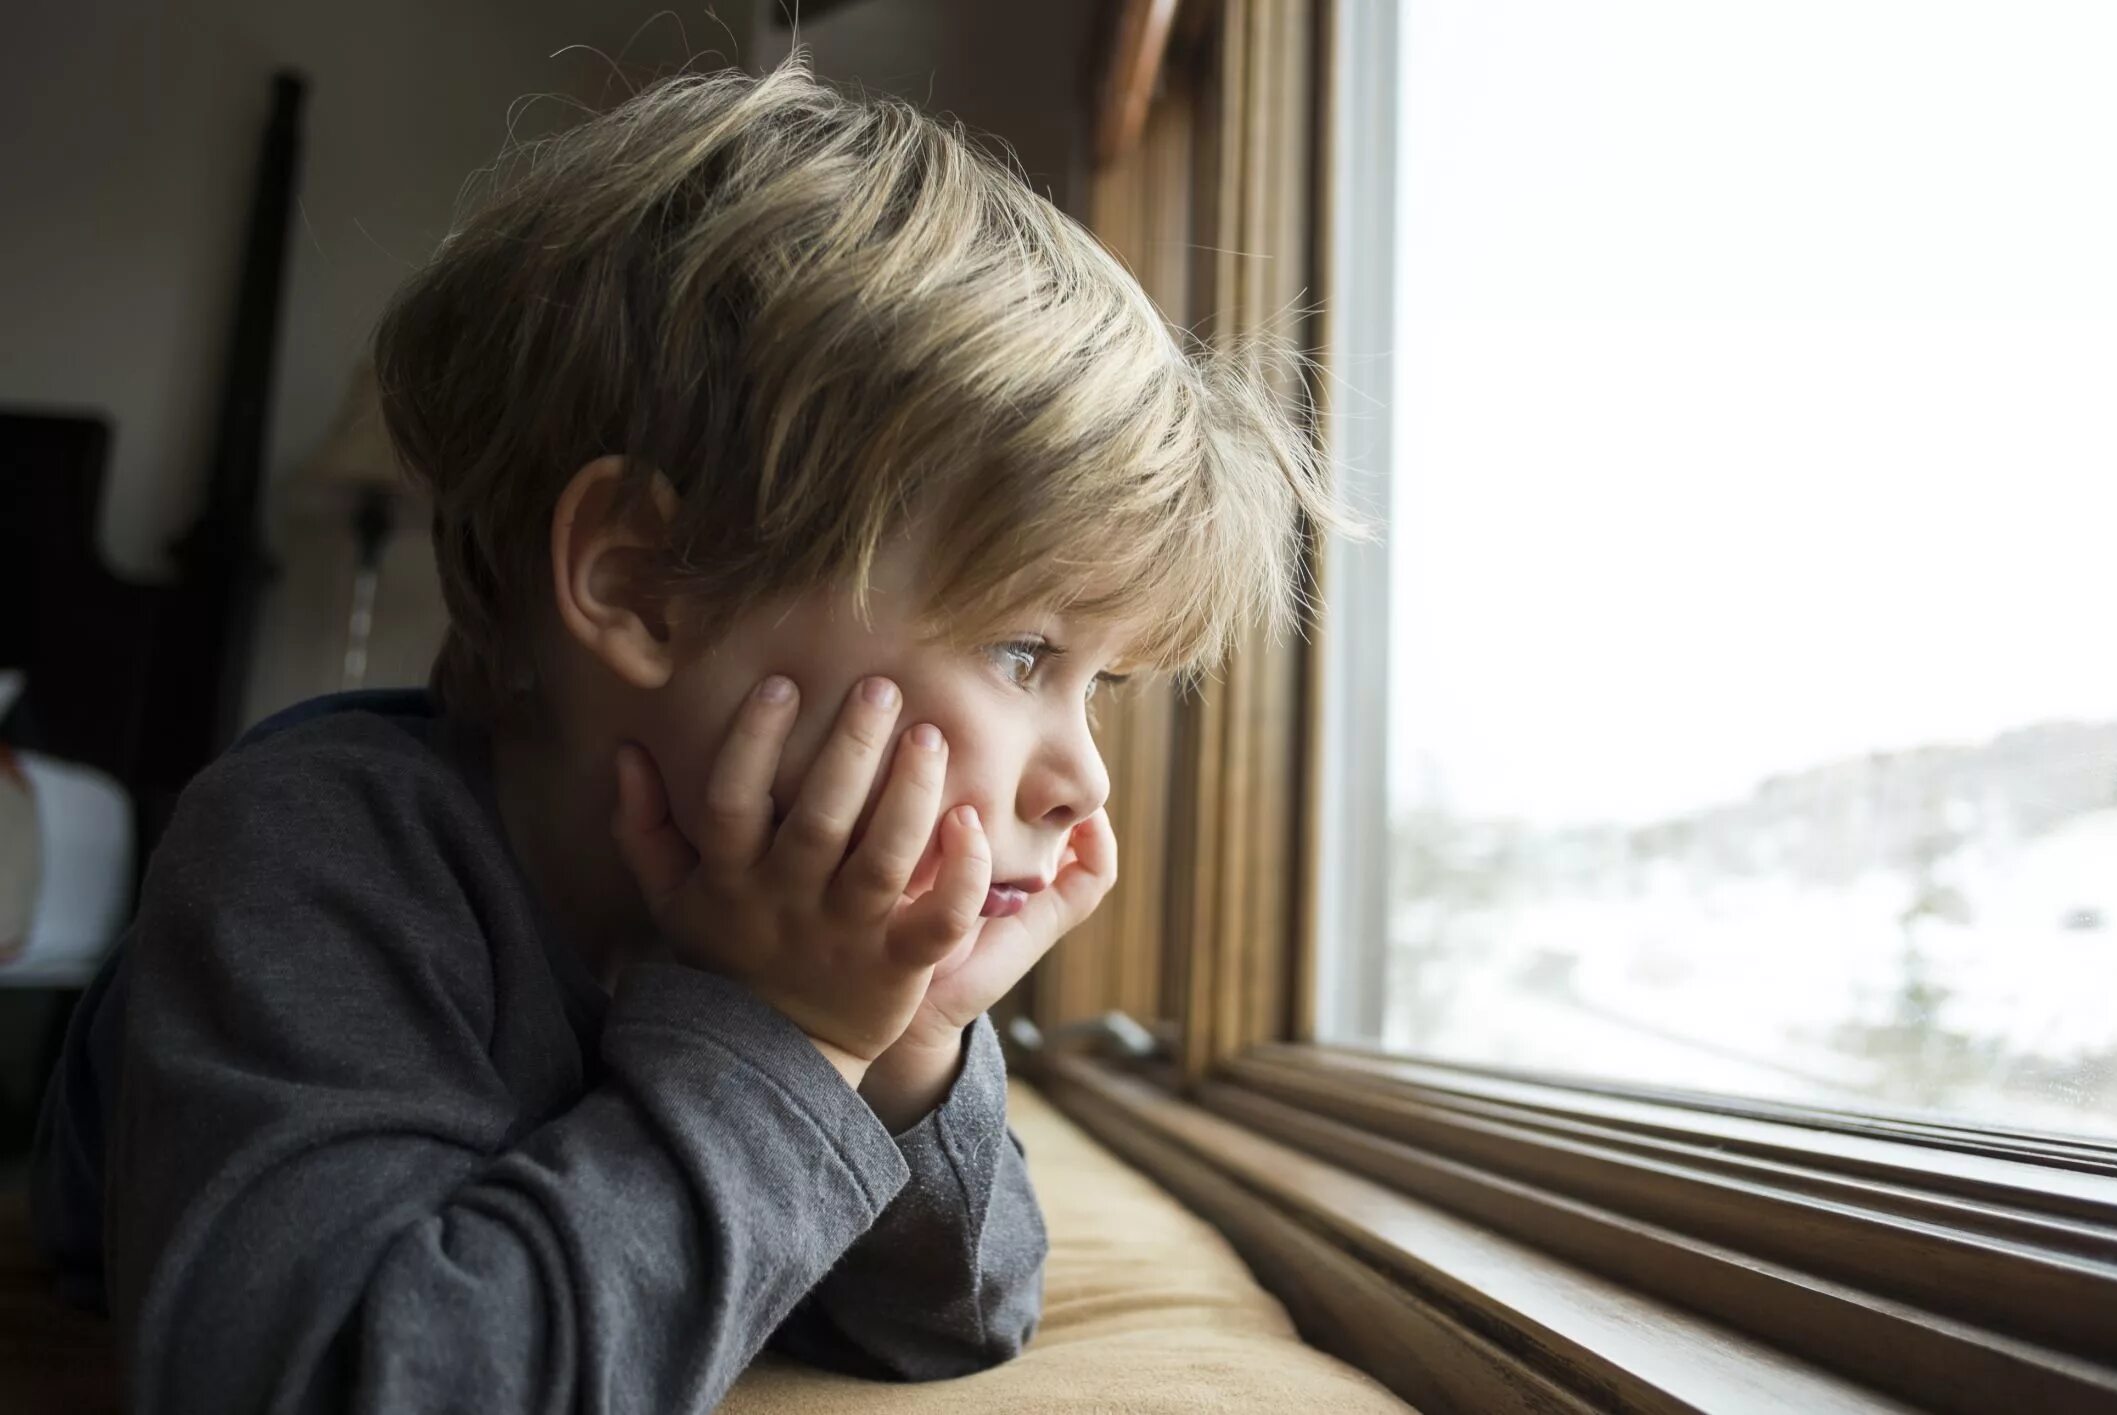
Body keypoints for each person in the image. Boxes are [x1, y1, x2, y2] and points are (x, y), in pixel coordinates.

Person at [31, 56, 1333, 1413]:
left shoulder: (807, 910)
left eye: (1101, 682)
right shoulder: (318, 848)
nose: (1085, 779)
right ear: (643, 583)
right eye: (1024, 653)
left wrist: (906, 1041)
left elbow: (950, 1328)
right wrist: (781, 1034)